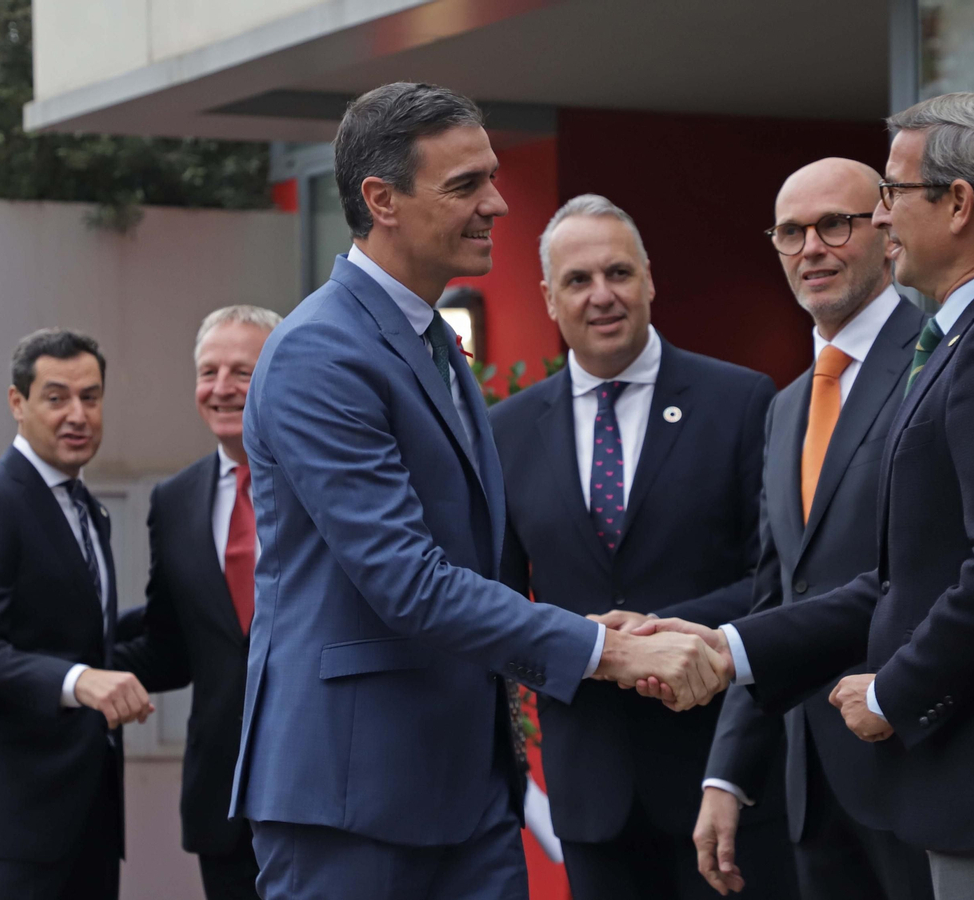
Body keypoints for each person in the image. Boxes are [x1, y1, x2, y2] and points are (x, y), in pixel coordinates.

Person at [639, 93, 974, 900]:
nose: (882, 219)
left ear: (959, 204)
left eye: (892, 193)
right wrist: (728, 649)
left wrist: (893, 691)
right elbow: (905, 577)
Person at [234, 81, 729, 900]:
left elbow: (471, 568)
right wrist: (607, 652)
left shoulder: (433, 343)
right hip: (353, 800)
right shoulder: (319, 354)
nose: (498, 204)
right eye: (466, 185)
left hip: (464, 796)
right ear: (380, 200)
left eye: (492, 177)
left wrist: (580, 627)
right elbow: (407, 580)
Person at [489, 194, 792, 900]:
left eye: (618, 273)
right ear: (548, 298)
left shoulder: (742, 401)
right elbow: (496, 606)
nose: (602, 296)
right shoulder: (503, 432)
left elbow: (777, 579)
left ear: (650, 279)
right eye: (578, 280)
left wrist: (660, 632)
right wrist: (584, 645)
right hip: (591, 791)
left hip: (722, 778)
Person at [696, 159, 932, 900]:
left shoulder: (940, 359)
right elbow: (779, 597)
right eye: (790, 233)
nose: (811, 249)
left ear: (888, 234)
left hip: (919, 762)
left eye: (835, 224)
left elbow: (934, 571)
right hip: (814, 788)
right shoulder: (788, 406)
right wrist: (728, 771)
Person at [0, 328, 152, 900]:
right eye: (56, 398)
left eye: (91, 397)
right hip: (5, 828)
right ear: (17, 403)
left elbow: (81, 639)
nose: (77, 414)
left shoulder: (86, 508)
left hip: (86, 821)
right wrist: (79, 682)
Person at [113, 305, 282, 900]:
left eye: (242, 370)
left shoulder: (328, 481)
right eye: (208, 372)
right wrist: (66, 664)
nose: (221, 388)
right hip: (223, 797)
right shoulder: (175, 499)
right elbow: (173, 645)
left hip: (326, 786)